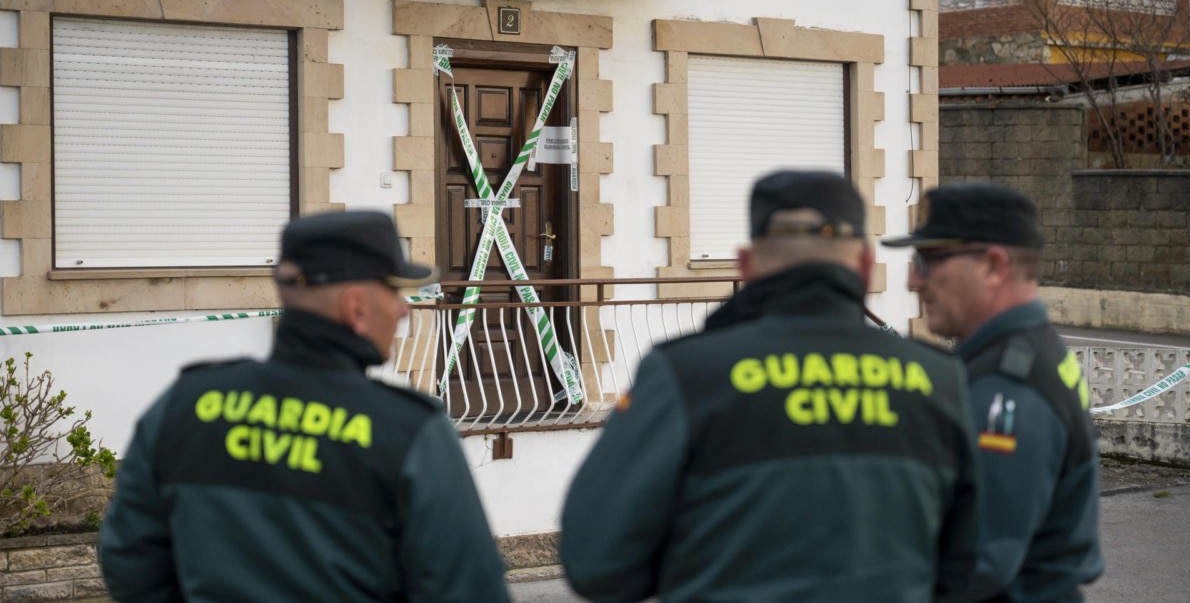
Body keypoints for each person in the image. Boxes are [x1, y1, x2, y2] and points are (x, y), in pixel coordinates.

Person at [560, 170, 981, 602]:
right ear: (866, 266)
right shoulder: (942, 379)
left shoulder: (686, 374)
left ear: (747, 265)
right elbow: (975, 564)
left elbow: (594, 562)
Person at [100, 210, 511, 603]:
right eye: (394, 292)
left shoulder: (185, 405)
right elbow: (469, 590)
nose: (403, 310)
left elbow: (127, 563)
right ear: (356, 308)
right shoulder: (409, 432)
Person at [882, 183, 1104, 602]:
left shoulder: (1007, 386)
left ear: (992, 266)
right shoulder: (1026, 352)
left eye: (928, 261)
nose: (913, 280)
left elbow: (976, 564)